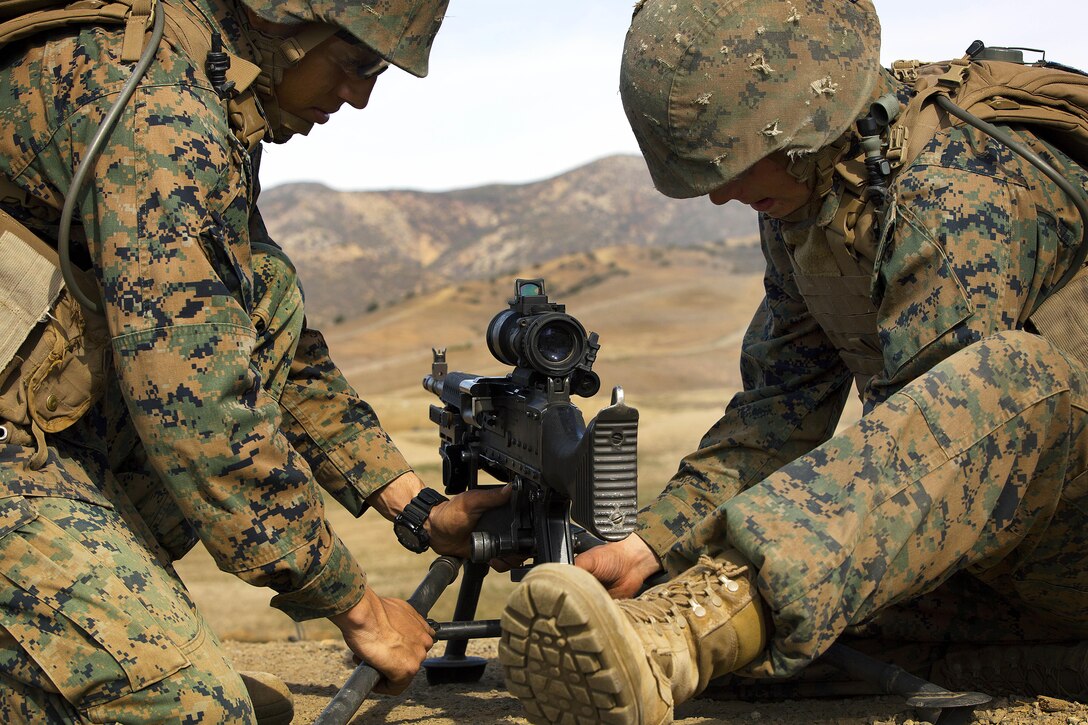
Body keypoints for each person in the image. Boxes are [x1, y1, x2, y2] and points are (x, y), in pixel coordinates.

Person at [497, 1, 1088, 723]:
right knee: (774, 637)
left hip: (1044, 538)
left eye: (735, 164)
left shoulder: (959, 191)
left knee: (1015, 381)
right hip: (1007, 563)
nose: (721, 194)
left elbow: (948, 453)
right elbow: (780, 409)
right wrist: (652, 543)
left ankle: (680, 638)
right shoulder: (817, 200)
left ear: (807, 121)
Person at [0, 0, 510, 721]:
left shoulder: (208, 84)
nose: (360, 97)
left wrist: (417, 509)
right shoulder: (159, 112)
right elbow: (201, 409)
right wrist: (360, 609)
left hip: (46, 425)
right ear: (282, 22)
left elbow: (255, 336)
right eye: (356, 62)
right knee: (198, 711)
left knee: (266, 287)